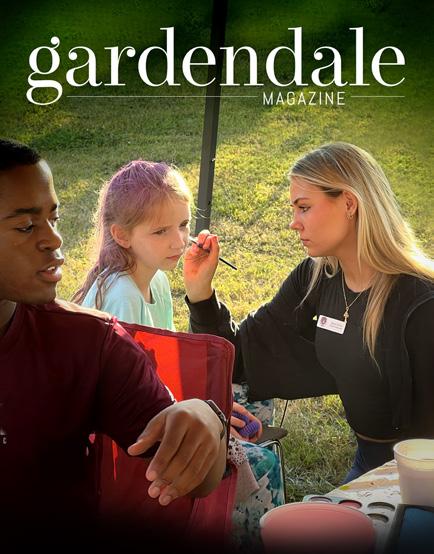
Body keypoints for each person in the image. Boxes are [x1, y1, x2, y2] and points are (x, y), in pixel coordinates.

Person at [0, 139, 227, 549]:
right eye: (26, 226)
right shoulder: (118, 296)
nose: (54, 239)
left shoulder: (93, 342)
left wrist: (207, 420)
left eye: (54, 218)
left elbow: (197, 476)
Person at [183, 142, 434, 484]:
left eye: (304, 207)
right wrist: (200, 293)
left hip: (419, 474)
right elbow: (239, 356)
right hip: (367, 464)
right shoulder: (317, 276)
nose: (293, 224)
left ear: (349, 203)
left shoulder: (420, 301)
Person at [74, 159, 285, 549]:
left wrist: (216, 407)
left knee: (254, 401)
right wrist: (212, 418)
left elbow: (165, 366)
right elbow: (132, 401)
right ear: (121, 235)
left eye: (184, 225)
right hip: (134, 442)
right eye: (161, 231)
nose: (178, 241)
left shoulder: (153, 277)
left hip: (163, 405)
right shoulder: (121, 296)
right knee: (262, 464)